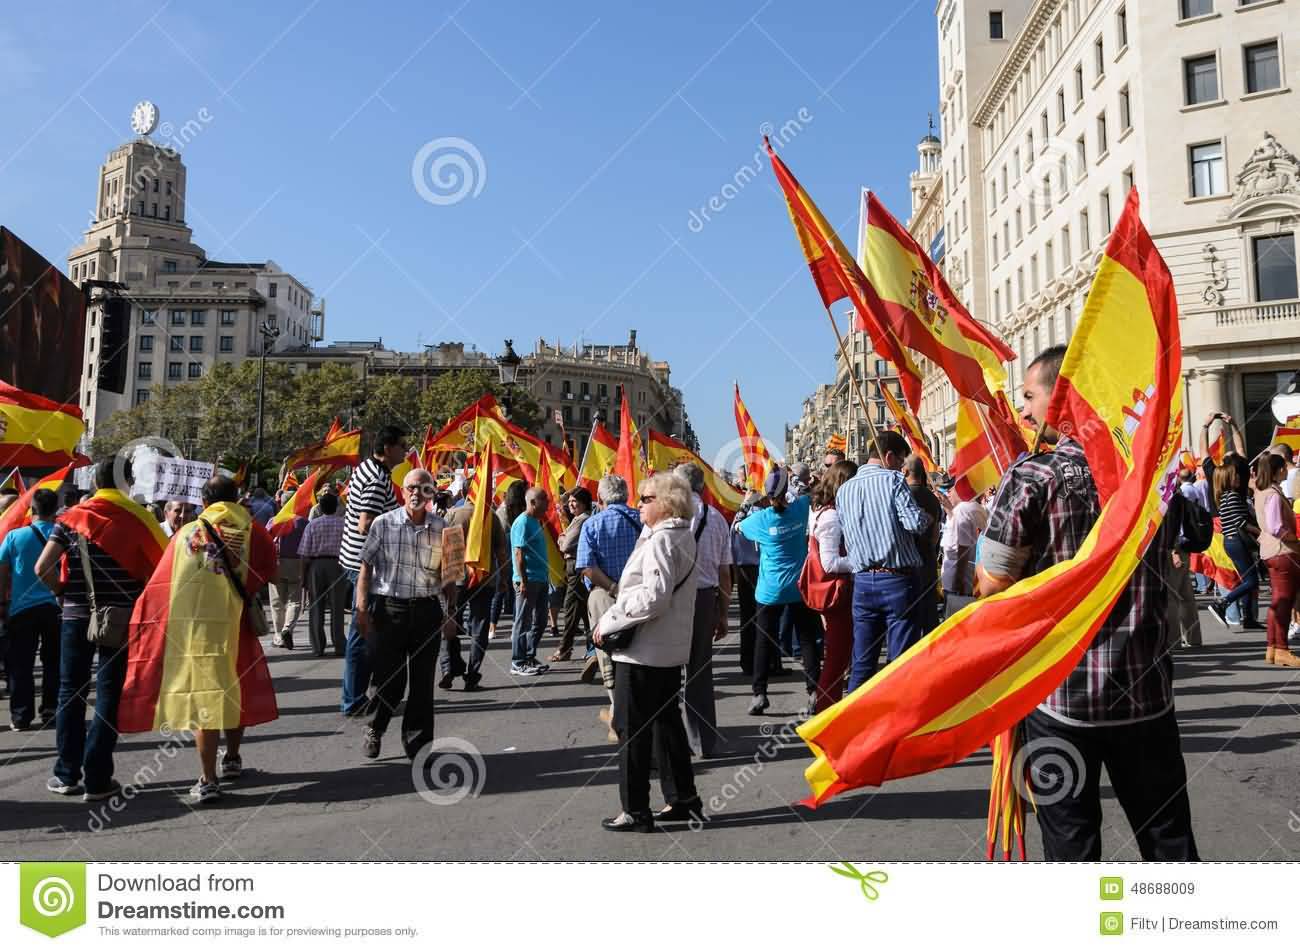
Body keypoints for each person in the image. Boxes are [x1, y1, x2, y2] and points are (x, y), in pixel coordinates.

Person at [976, 346, 1198, 861]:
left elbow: (991, 581)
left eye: (1030, 396)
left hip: (1061, 699)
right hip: (1145, 694)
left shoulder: (1034, 475)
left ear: (1065, 397)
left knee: (1072, 846)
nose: (1023, 411)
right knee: (1169, 842)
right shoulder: (1147, 477)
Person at [118, 475, 279, 803]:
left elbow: (163, 586)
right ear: (235, 499)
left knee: (204, 700)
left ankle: (207, 779)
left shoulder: (185, 535)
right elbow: (270, 573)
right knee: (236, 690)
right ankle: (232, 758)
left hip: (195, 633)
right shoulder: (254, 531)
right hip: (238, 628)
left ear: (204, 502)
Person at [34, 458, 167, 802]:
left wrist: (62, 592)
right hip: (122, 618)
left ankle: (66, 774)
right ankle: (97, 778)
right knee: (109, 695)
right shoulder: (140, 520)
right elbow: (159, 571)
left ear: (95, 481)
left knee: (70, 692)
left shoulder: (70, 519)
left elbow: (42, 567)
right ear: (127, 484)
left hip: (76, 617)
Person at [593, 472, 700, 832]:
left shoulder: (661, 540)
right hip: (666, 650)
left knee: (631, 730)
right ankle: (684, 798)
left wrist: (609, 620)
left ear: (666, 503)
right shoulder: (679, 535)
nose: (638, 503)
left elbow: (654, 596)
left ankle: (635, 809)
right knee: (667, 726)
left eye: (646, 498)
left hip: (643, 651)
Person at [355, 468, 458, 760]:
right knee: (390, 680)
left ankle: (420, 747)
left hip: (427, 611)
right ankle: (375, 727)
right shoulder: (382, 524)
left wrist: (451, 614)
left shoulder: (445, 528)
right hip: (390, 611)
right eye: (411, 487)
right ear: (403, 491)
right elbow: (366, 567)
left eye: (424, 487)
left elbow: (450, 576)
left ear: (431, 493)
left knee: (423, 684)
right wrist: (362, 608)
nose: (416, 492)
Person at [835, 430, 932, 692]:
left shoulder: (844, 489)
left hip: (863, 582)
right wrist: (928, 516)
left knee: (863, 662)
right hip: (897, 580)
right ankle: (896, 722)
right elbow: (915, 523)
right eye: (901, 461)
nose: (902, 467)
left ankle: (855, 724)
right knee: (899, 662)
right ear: (889, 456)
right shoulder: (893, 481)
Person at [737, 467, 820, 716]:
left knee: (763, 641)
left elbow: (738, 527)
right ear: (786, 491)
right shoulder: (800, 508)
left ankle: (759, 694)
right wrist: (800, 483)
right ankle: (814, 690)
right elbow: (809, 493)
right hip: (798, 587)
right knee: (807, 639)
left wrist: (745, 504)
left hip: (769, 590)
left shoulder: (760, 520)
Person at [337, 425, 405, 716]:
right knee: (362, 631)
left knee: (369, 631)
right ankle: (354, 700)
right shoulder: (377, 479)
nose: (405, 450)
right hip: (366, 566)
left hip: (356, 560)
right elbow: (366, 523)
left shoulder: (366, 468)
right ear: (388, 448)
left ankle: (365, 693)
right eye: (402, 445)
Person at [577, 475, 642, 737]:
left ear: (600, 498)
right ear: (627, 494)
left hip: (603, 595)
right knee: (637, 651)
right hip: (639, 596)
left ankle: (618, 713)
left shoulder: (592, 524)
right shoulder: (641, 519)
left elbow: (587, 568)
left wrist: (613, 587)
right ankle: (632, 712)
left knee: (608, 652)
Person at [676, 463, 732, 758]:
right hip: (705, 599)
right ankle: (703, 741)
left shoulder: (671, 515)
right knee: (700, 671)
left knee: (668, 670)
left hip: (674, 601)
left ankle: (673, 741)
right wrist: (722, 613)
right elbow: (725, 573)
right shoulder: (718, 520)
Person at [0, 488, 61, 730]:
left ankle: (21, 716)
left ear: (32, 509)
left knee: (21, 665)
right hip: (56, 608)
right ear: (55, 510)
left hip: (21, 609)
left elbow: (2, 572)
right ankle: (50, 710)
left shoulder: (15, 537)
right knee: (54, 662)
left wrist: (2, 603)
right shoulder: (63, 535)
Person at [439, 481, 509, 690]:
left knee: (449, 621)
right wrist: (503, 578)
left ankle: (447, 667)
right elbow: (501, 552)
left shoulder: (453, 514)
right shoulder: (492, 517)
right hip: (483, 579)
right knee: (479, 627)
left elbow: (444, 548)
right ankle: (472, 672)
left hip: (455, 579)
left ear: (465, 492)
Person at [808, 460, 858, 713]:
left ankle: (828, 706)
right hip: (837, 592)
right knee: (837, 656)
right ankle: (826, 709)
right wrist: (859, 561)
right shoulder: (830, 516)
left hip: (838, 592)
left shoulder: (823, 511)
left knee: (839, 655)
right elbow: (829, 562)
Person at [1252, 453, 1300, 666]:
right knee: (1283, 602)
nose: (1285, 471)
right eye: (1283, 468)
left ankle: (1272, 647)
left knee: (1278, 601)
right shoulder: (1272, 494)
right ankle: (1281, 649)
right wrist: (1292, 537)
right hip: (1282, 552)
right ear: (1278, 470)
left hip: (1272, 552)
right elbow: (1275, 525)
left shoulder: (1263, 491)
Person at [1207, 459, 1263, 631]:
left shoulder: (1225, 496)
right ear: (1226, 479)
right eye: (1234, 475)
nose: (1238, 477)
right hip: (1237, 541)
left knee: (1248, 579)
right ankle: (1222, 604)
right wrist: (1260, 533)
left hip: (1232, 542)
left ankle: (1248, 618)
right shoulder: (1231, 496)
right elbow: (1240, 521)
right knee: (1251, 580)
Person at [298, 491, 348, 657]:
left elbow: (305, 554)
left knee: (316, 607)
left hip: (316, 565)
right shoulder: (344, 524)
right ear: (336, 507)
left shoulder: (312, 525)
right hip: (338, 565)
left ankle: (318, 646)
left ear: (320, 507)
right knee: (337, 607)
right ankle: (339, 645)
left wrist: (303, 576)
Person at [509, 487, 553, 676]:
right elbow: (519, 553)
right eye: (544, 499)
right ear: (533, 502)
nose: (548, 502)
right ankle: (518, 662)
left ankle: (528, 655)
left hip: (541, 580)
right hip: (528, 580)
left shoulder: (536, 521)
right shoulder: (523, 522)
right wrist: (523, 581)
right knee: (523, 621)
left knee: (541, 621)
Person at [549, 487, 593, 663]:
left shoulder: (583, 519)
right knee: (583, 611)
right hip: (575, 567)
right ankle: (593, 649)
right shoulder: (577, 519)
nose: (570, 504)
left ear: (583, 503)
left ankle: (564, 649)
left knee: (571, 609)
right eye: (570, 501)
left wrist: (562, 537)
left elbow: (565, 545)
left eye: (574, 501)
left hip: (576, 567)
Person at [903, 454, 943, 636]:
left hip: (909, 565)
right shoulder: (933, 498)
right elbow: (935, 534)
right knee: (929, 617)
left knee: (910, 622)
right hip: (928, 559)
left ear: (905, 471)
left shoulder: (905, 497)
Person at [269, 495, 308, 650]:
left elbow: (267, 539)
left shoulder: (273, 521)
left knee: (277, 602)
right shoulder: (303, 522)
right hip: (297, 562)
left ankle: (278, 635)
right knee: (295, 600)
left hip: (277, 562)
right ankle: (287, 629)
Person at [490, 482, 527, 639]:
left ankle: (496, 627)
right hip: (508, 554)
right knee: (507, 590)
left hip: (505, 555)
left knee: (506, 591)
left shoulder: (506, 512)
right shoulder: (505, 513)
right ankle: (497, 626)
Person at [940, 492, 989, 598]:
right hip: (969, 580)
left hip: (957, 584)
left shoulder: (962, 510)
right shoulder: (973, 507)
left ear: (960, 490)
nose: (948, 494)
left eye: (951, 490)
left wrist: (957, 583)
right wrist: (949, 510)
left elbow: (961, 549)